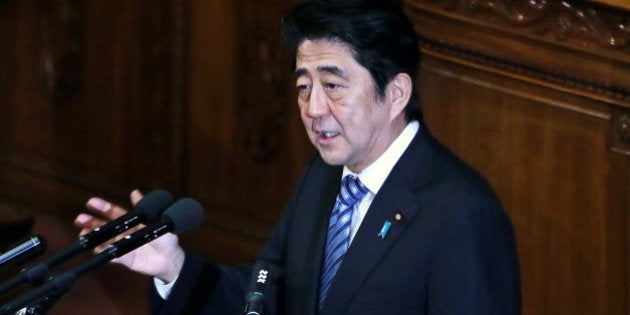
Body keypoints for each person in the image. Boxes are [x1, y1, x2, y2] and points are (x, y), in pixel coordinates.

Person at [74, 0, 521, 314]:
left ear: (396, 93)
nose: (313, 109)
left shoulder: (463, 213)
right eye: (303, 87)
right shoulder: (324, 177)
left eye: (333, 85)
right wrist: (173, 266)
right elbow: (268, 295)